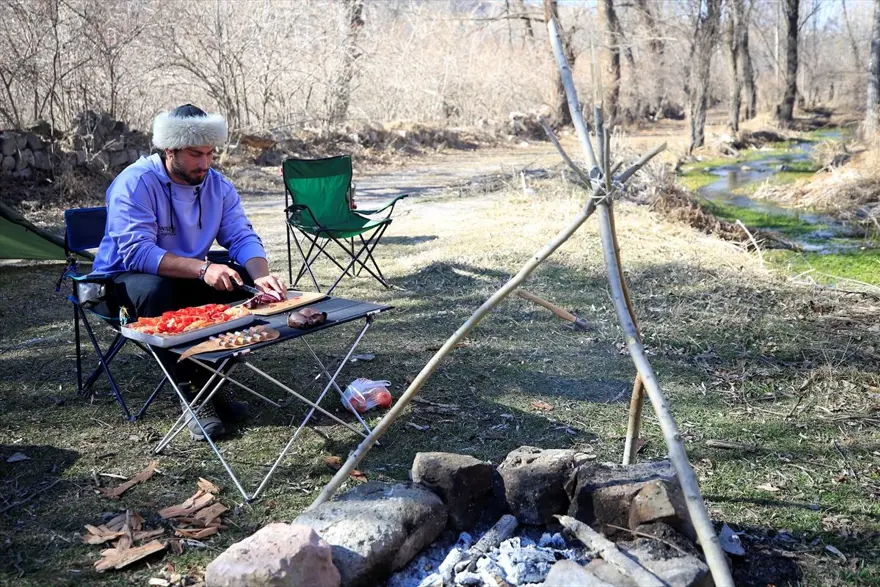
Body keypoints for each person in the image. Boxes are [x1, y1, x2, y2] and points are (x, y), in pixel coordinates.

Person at [92, 103, 286, 440]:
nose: (205, 163)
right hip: (119, 283)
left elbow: (241, 236)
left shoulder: (218, 186)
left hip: (186, 275)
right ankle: (194, 394)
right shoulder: (135, 183)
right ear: (170, 150)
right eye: (196, 154)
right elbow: (137, 252)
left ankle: (214, 379)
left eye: (210, 153)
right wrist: (203, 268)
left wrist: (260, 276)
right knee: (155, 290)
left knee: (240, 284)